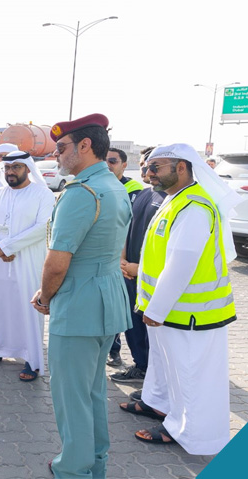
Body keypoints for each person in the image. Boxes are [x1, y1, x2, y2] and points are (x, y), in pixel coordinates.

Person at [31, 113, 132, 478]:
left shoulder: (81, 193)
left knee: (71, 398)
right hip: (106, 301)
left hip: (79, 305)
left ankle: (73, 469)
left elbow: (57, 264)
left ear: (85, 146)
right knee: (91, 395)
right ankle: (95, 463)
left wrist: (44, 298)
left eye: (61, 148)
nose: (56, 156)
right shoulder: (113, 184)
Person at [128, 143, 240, 455]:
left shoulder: (194, 207)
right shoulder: (176, 200)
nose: (148, 173)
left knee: (192, 379)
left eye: (156, 167)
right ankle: (167, 413)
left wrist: (156, 308)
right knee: (173, 372)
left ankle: (195, 436)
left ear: (181, 168)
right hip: (172, 312)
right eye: (148, 167)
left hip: (190, 314)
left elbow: (182, 264)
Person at [0, 151, 54, 382]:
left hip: (27, 262)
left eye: (16, 167)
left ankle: (32, 358)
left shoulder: (43, 194)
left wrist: (8, 246)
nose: (11, 172)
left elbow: (43, 227)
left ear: (28, 168)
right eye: (7, 168)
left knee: (26, 307)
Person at [110, 147, 165, 387]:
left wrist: (137, 268)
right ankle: (141, 366)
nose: (146, 169)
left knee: (153, 332)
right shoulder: (144, 194)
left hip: (153, 279)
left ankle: (155, 378)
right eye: (144, 164)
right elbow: (127, 228)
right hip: (130, 274)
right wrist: (123, 262)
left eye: (153, 165)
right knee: (132, 326)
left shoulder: (172, 200)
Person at [105, 147, 146, 366]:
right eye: (104, 161)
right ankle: (111, 349)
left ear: (123, 164)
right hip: (103, 259)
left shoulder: (135, 191)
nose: (108, 165)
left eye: (112, 161)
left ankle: (120, 353)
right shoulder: (99, 186)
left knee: (124, 309)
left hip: (123, 262)